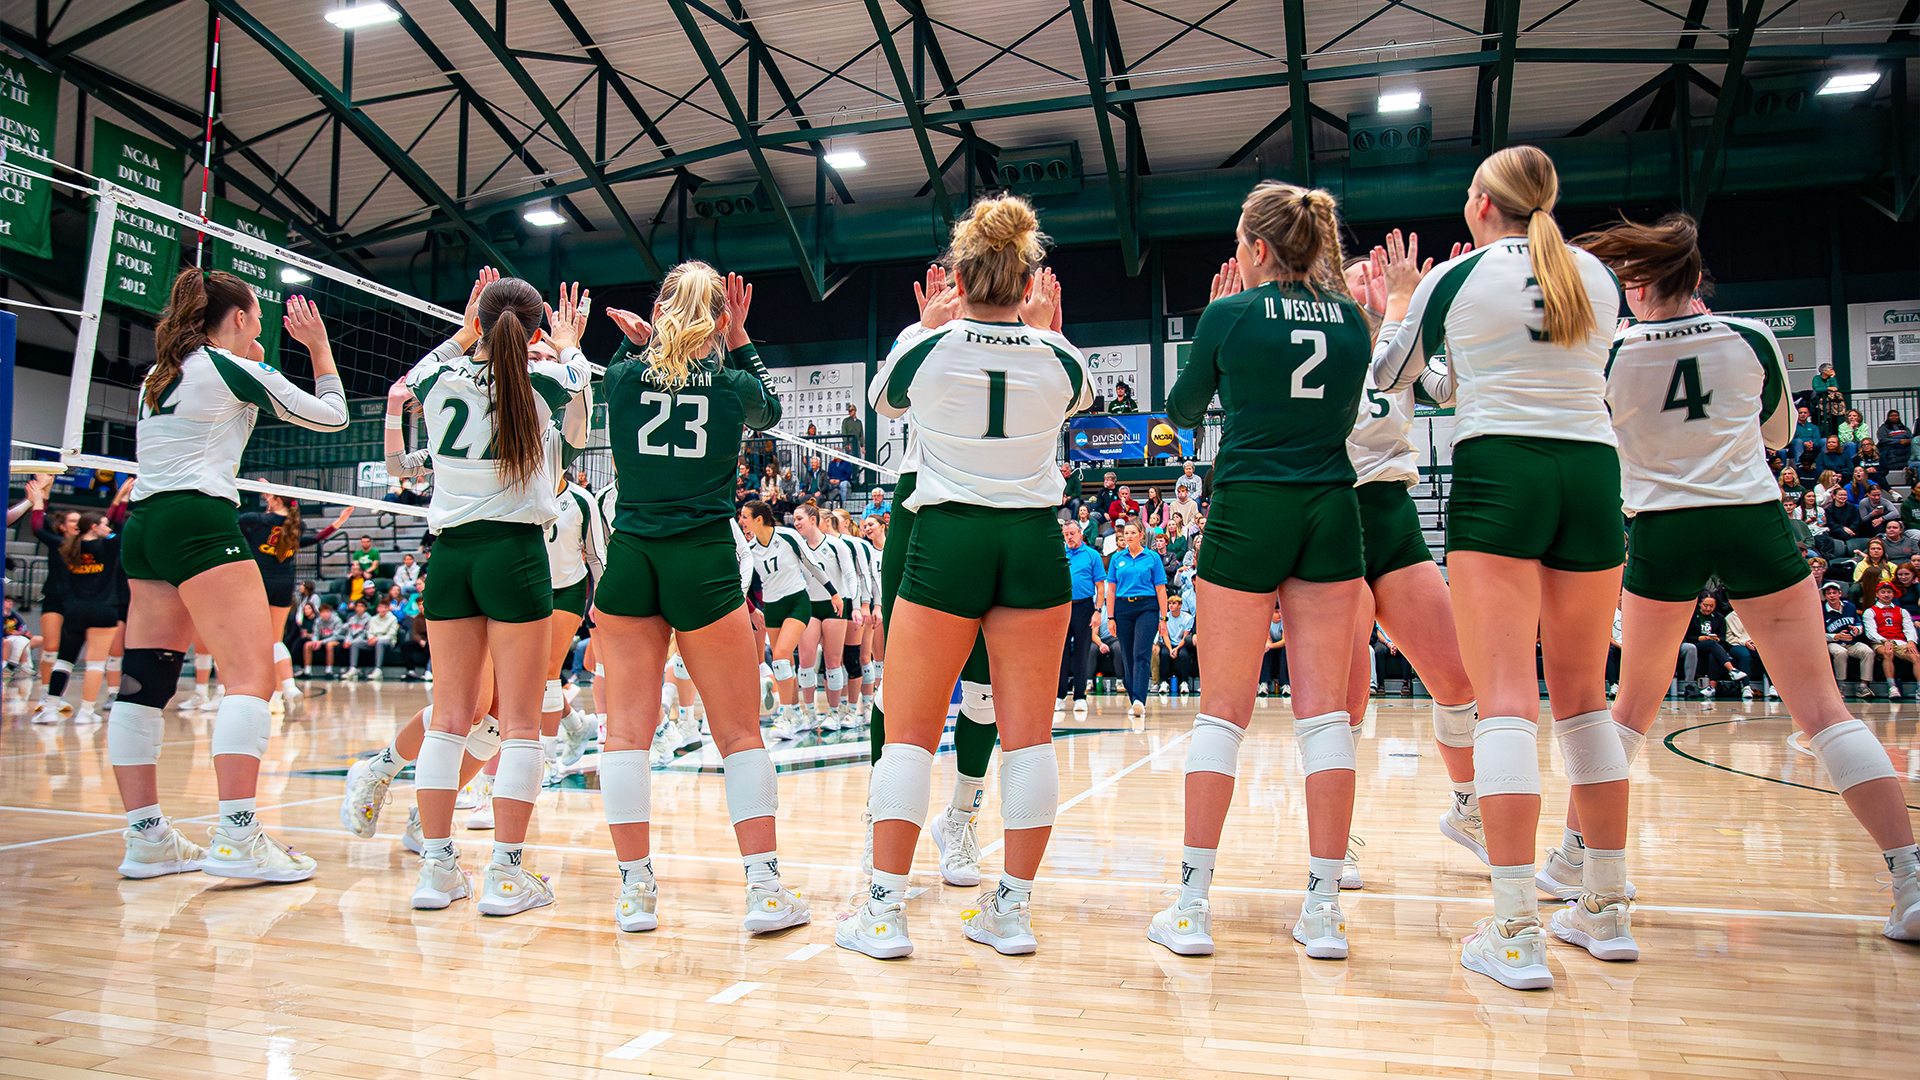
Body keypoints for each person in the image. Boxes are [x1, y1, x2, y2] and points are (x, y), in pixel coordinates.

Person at [1579, 211, 1917, 950]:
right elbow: (1775, 437)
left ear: (1636, 288)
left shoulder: (1613, 355)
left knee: (1630, 707)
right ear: (1697, 279)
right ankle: (1911, 878)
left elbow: (1604, 440)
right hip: (1751, 517)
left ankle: (1577, 862)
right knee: (1825, 710)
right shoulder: (1754, 336)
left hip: (1665, 524)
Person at [1371, 146, 1623, 989]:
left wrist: (1405, 302)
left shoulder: (1460, 277)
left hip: (1501, 475)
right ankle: (1606, 908)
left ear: (1482, 204)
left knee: (1508, 698)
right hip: (1591, 471)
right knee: (1586, 699)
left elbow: (1390, 374)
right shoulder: (1594, 274)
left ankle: (1515, 928)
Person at [841, 194, 1088, 960]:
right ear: (1028, 279)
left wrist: (933, 321)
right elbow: (1070, 390)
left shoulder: (928, 347)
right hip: (1033, 542)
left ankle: (883, 913)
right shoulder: (1063, 357)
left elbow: (882, 400)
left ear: (957, 272)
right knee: (1030, 740)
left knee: (909, 732)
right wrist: (1038, 325)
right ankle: (1009, 909)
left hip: (948, 537)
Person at [1149, 179, 1372, 962]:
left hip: (1250, 509)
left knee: (1221, 715)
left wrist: (1220, 324)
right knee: (1326, 719)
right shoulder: (1353, 320)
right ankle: (1322, 911)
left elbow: (1180, 411)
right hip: (1329, 510)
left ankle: (1191, 905)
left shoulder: (1229, 312)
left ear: (1255, 248)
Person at [585, 263, 809, 934]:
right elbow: (770, 410)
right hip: (703, 560)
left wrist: (634, 344)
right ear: (717, 318)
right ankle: (764, 892)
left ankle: (635, 893)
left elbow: (624, 379)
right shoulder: (734, 384)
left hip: (630, 559)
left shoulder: (621, 376)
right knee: (739, 733)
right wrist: (739, 338)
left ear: (658, 312)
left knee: (624, 733)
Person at [108, 270, 350, 882]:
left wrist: (255, 359)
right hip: (197, 518)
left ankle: (147, 840)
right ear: (238, 318)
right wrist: (318, 348)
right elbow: (332, 418)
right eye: (257, 320)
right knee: (250, 681)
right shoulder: (225, 366)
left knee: (143, 685)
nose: (260, 331)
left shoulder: (158, 374)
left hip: (144, 526)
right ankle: (239, 836)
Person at [384, 269, 590, 915]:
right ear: (534, 332)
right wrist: (569, 340)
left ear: (477, 321)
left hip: (450, 558)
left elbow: (415, 375)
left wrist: (469, 318)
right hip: (514, 554)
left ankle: (438, 869)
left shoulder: (435, 379)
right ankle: (505, 873)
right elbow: (581, 407)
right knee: (522, 723)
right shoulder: (546, 379)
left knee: (449, 719)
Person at [1338, 251, 1485, 883]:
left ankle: (1469, 809)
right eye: (1356, 280)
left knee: (1459, 681)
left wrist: (1442, 305)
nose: (1370, 285)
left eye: (1377, 278)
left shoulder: (1406, 354)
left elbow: (1456, 388)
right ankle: (1333, 836)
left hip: (1394, 518)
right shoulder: (1323, 348)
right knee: (1342, 704)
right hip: (1333, 521)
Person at [239, 494, 351, 707]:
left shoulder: (256, 519)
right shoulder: (296, 525)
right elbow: (314, 539)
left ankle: (268, 691)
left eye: (268, 498)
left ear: (277, 501)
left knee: (257, 642)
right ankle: (283, 691)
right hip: (285, 584)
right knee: (275, 640)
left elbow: (232, 520)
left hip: (260, 582)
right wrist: (338, 523)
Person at [1105, 523, 1168, 718]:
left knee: (1141, 653)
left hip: (1147, 607)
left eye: (1133, 533)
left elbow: (1161, 589)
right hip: (1123, 609)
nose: (1129, 536)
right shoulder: (1116, 558)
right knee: (1127, 654)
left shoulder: (1152, 557)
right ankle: (1134, 699)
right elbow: (1111, 590)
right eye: (1126, 533)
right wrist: (1110, 617)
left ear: (1141, 535)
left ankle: (1140, 699)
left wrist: (1163, 618)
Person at [1057, 522, 1104, 716]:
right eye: (1066, 534)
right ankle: (1059, 696)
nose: (1069, 537)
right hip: (1062, 608)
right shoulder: (1060, 554)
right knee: (1061, 654)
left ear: (1081, 533)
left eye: (1073, 533)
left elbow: (1100, 586)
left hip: (1084, 607)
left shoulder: (1092, 555)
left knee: (1083, 653)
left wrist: (1098, 610)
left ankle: (1079, 696)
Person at [1682, 595, 1747, 694]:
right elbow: (1686, 636)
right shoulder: (1692, 616)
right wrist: (1699, 638)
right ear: (1699, 604)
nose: (1708, 608)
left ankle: (1711, 687)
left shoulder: (1719, 617)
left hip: (1712, 646)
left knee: (1714, 652)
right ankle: (1732, 670)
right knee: (1712, 645)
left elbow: (1722, 638)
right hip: (1696, 645)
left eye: (1711, 606)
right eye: (1705, 605)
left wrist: (1717, 639)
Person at [1863, 581, 1918, 698]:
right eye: (1883, 592)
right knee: (1888, 652)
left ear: (1893, 594)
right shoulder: (1870, 611)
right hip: (1880, 642)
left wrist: (1911, 642)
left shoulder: (1901, 611)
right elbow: (1871, 632)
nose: (1886, 595)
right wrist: (1884, 641)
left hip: (1900, 641)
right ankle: (1892, 687)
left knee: (1916, 656)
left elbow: (1909, 628)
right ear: (1877, 594)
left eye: (1889, 592)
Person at [1156, 594, 1198, 696]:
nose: (1171, 606)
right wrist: (1171, 649)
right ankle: (1164, 682)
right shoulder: (1165, 617)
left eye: (1174, 603)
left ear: (1180, 605)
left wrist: (1177, 649)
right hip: (1169, 643)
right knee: (1164, 654)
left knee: (1184, 655)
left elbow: (1185, 636)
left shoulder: (1187, 618)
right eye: (1169, 603)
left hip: (1181, 644)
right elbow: (1165, 635)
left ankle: (1184, 682)